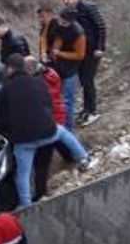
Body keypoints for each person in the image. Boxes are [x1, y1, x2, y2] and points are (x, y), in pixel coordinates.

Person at [0, 54, 65, 208]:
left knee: (23, 173)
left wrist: (10, 133)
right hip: (46, 132)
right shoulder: (39, 82)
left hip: (23, 139)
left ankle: (27, 206)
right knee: (42, 167)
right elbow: (49, 104)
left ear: (10, 68)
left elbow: (2, 118)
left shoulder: (6, 89)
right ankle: (41, 194)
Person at [25, 56, 91, 202]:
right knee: (60, 140)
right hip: (55, 116)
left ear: (30, 69)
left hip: (49, 120)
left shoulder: (38, 82)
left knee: (41, 160)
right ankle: (76, 157)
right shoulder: (49, 74)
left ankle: (39, 193)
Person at [61, 0, 107, 127]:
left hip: (93, 50)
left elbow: (101, 26)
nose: (66, 1)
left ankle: (92, 111)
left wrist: (100, 47)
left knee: (88, 79)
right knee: (83, 79)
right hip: (81, 51)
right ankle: (86, 109)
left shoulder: (88, 7)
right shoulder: (71, 12)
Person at [44, 7, 86, 129]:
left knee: (68, 101)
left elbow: (80, 55)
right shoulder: (55, 23)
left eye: (64, 22)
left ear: (71, 22)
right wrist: (46, 53)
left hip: (70, 70)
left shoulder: (78, 33)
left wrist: (60, 53)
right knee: (52, 98)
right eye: (60, 20)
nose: (61, 24)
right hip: (55, 67)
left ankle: (68, 129)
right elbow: (48, 38)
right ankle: (53, 126)